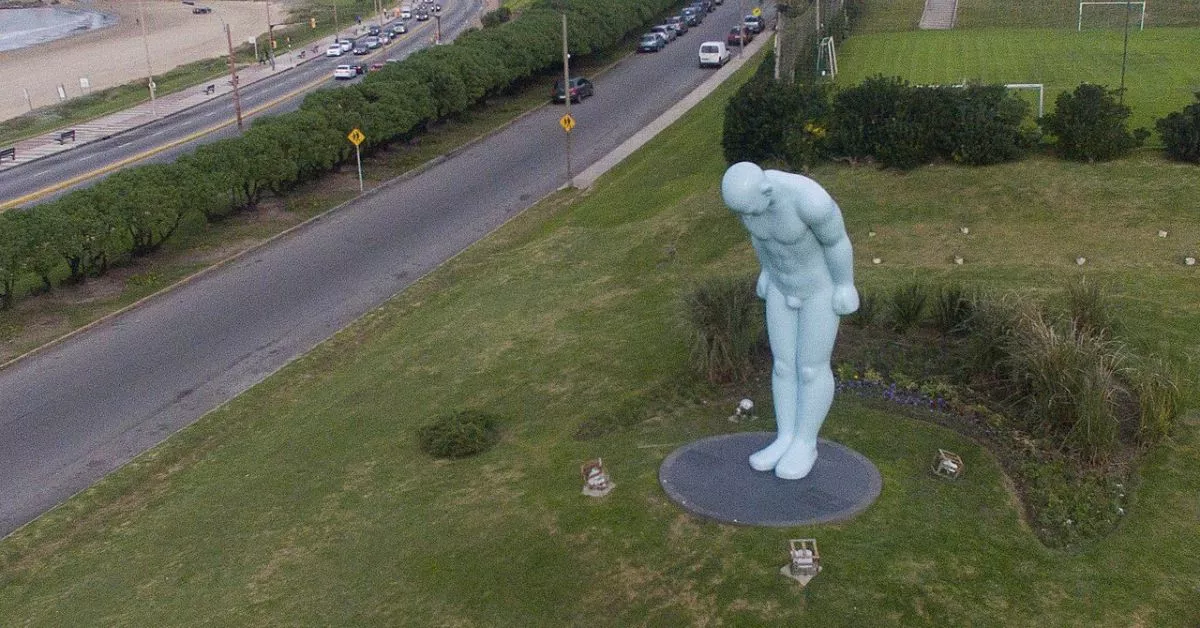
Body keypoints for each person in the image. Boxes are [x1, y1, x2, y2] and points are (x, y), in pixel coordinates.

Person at [721, 162, 859, 480]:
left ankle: (805, 443)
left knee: (810, 368)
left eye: (752, 211)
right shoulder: (749, 204)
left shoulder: (809, 201)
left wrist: (844, 285)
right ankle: (785, 438)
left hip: (818, 292)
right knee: (783, 365)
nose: (749, 219)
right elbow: (762, 241)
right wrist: (768, 273)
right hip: (782, 289)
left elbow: (836, 242)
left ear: (766, 191)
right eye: (744, 214)